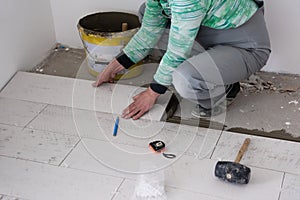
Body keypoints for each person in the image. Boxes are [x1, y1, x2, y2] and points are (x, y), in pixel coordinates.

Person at [93, 0, 271, 120]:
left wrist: (152, 93)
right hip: (206, 31)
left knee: (185, 79)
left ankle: (225, 89)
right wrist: (116, 65)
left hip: (244, 46)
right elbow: (149, 30)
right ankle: (208, 68)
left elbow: (178, 50)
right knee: (148, 12)